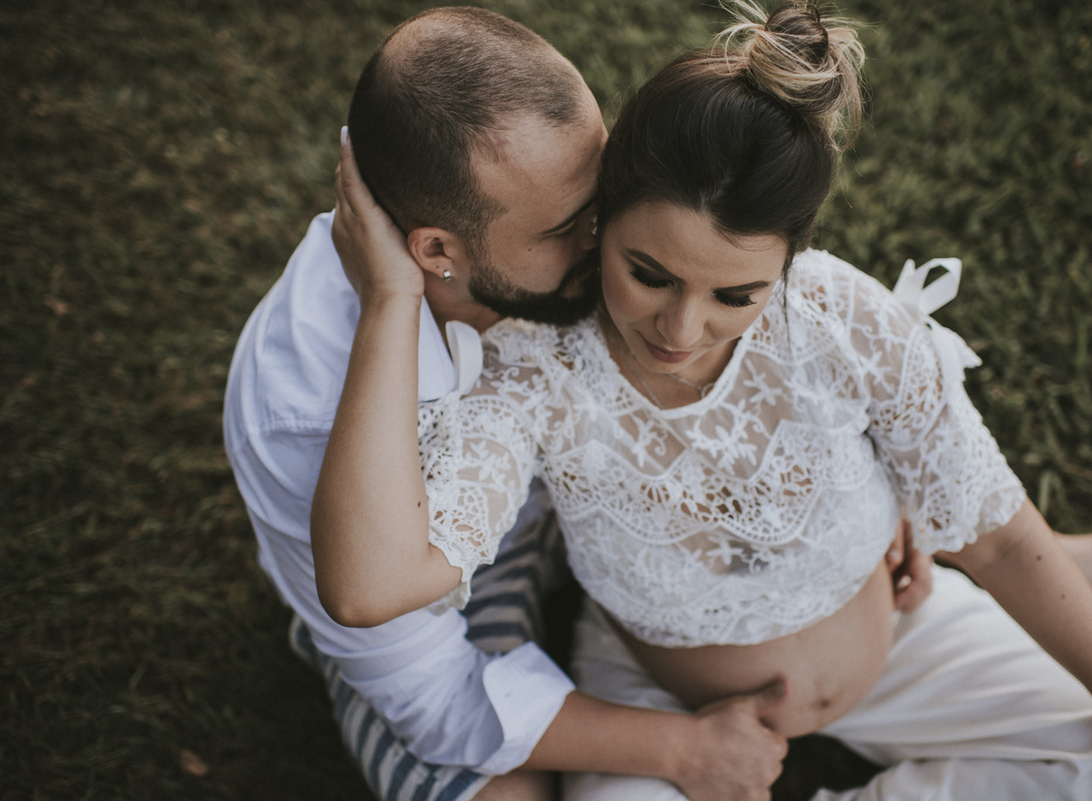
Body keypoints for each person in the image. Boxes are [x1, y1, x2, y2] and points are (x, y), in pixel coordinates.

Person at [311, 2, 1092, 799]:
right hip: (655, 689)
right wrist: (391, 296)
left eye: (736, 294)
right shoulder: (532, 367)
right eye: (648, 273)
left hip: (896, 629)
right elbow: (367, 587)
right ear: (602, 219)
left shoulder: (842, 318)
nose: (682, 328)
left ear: (790, 262)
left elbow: (998, 533)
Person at [225, 7, 826, 801]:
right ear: (436, 251)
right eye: (569, 227)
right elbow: (429, 690)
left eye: (603, 192)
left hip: (576, 511)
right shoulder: (302, 412)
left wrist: (862, 497)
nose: (608, 238)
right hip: (437, 597)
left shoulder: (559, 244)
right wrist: (684, 749)